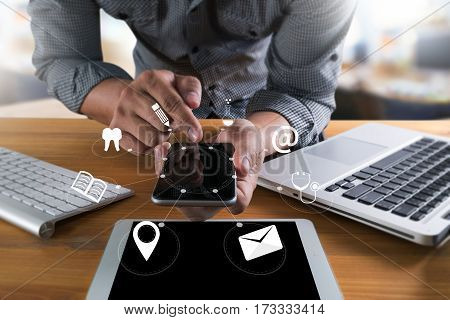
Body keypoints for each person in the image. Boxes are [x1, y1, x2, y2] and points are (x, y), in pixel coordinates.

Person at [28, 0, 356, 215]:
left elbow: (305, 93)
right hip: (146, 133)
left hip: (268, 133)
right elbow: (62, 58)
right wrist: (123, 100)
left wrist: (257, 133)